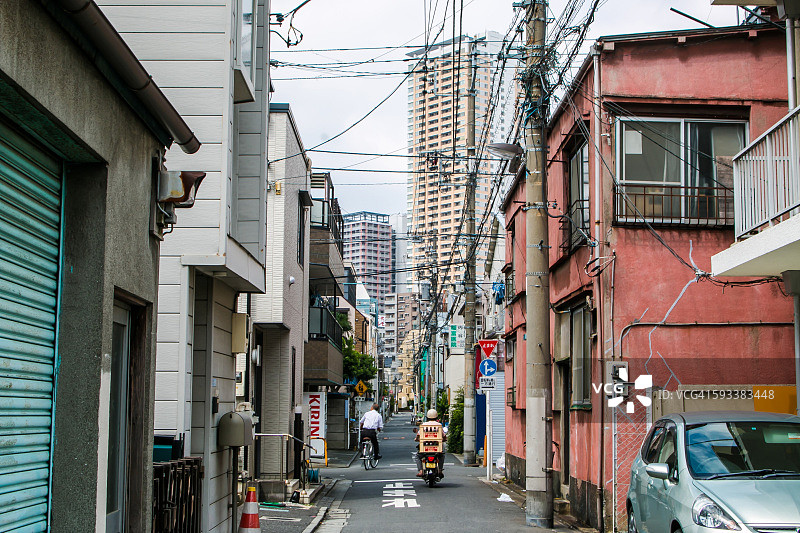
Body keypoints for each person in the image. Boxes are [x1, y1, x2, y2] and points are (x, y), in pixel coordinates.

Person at [414, 408, 445, 477]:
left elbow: (418, 435)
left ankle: (421, 471)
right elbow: (444, 435)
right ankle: (440, 470)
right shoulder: (439, 425)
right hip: (436, 449)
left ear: (427, 417)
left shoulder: (423, 425)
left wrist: (416, 439)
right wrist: (444, 439)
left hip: (425, 449)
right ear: (436, 417)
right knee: (442, 455)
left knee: (417, 456)